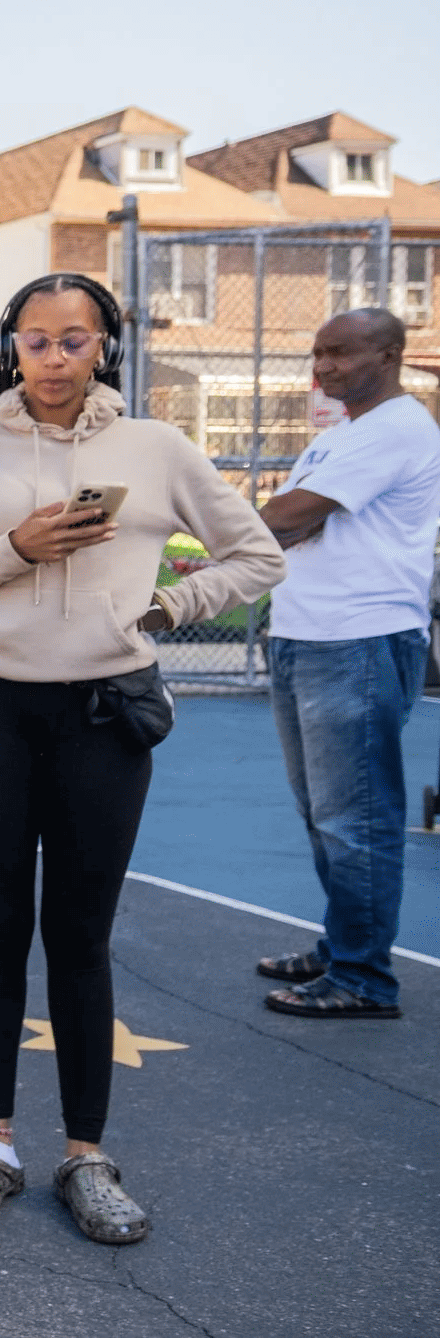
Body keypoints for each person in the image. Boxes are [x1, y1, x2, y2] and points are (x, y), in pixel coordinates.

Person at [0, 273, 281, 1246]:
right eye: (35, 340)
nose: (54, 359)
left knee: (80, 936)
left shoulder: (156, 448)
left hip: (104, 718)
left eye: (74, 340)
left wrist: (166, 606)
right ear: (11, 347)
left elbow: (257, 556)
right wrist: (16, 547)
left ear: (104, 346)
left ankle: (85, 1154)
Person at [255, 307, 440, 1020]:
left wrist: (211, 521)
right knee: (324, 813)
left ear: (389, 355)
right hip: (307, 635)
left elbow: (289, 515)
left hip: (358, 641)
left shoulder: (398, 427)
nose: (323, 367)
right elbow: (296, 524)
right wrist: (273, 526)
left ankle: (363, 978)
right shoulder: (344, 434)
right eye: (317, 353)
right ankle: (344, 946)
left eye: (339, 353)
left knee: (355, 817)